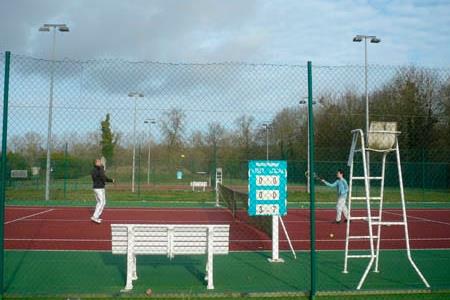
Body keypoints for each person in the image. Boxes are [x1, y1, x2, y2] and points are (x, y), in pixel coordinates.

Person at [90, 158, 114, 224]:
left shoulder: (95, 169)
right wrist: (110, 180)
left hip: (96, 188)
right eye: (98, 162)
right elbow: (103, 177)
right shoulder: (98, 169)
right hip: (99, 188)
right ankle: (94, 217)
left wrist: (110, 180)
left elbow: (102, 176)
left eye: (100, 161)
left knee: (99, 202)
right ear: (95, 163)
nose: (100, 162)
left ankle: (96, 216)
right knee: (102, 202)